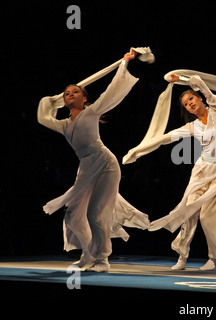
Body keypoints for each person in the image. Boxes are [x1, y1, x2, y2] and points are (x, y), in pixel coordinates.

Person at [123, 73, 216, 271]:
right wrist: (138, 150)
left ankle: (214, 258)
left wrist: (182, 80)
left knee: (208, 216)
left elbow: (199, 83)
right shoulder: (192, 126)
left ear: (200, 98)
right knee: (188, 211)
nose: (189, 104)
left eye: (191, 98)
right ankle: (182, 256)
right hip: (201, 171)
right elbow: (165, 138)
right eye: (185, 103)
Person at [37, 49, 151, 272]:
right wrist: (49, 100)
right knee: (72, 215)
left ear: (84, 98)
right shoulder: (64, 125)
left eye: (75, 92)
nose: (70, 94)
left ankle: (102, 259)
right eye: (66, 93)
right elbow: (42, 117)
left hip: (106, 165)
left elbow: (112, 91)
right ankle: (88, 253)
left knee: (94, 213)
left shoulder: (92, 112)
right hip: (86, 169)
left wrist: (124, 63)